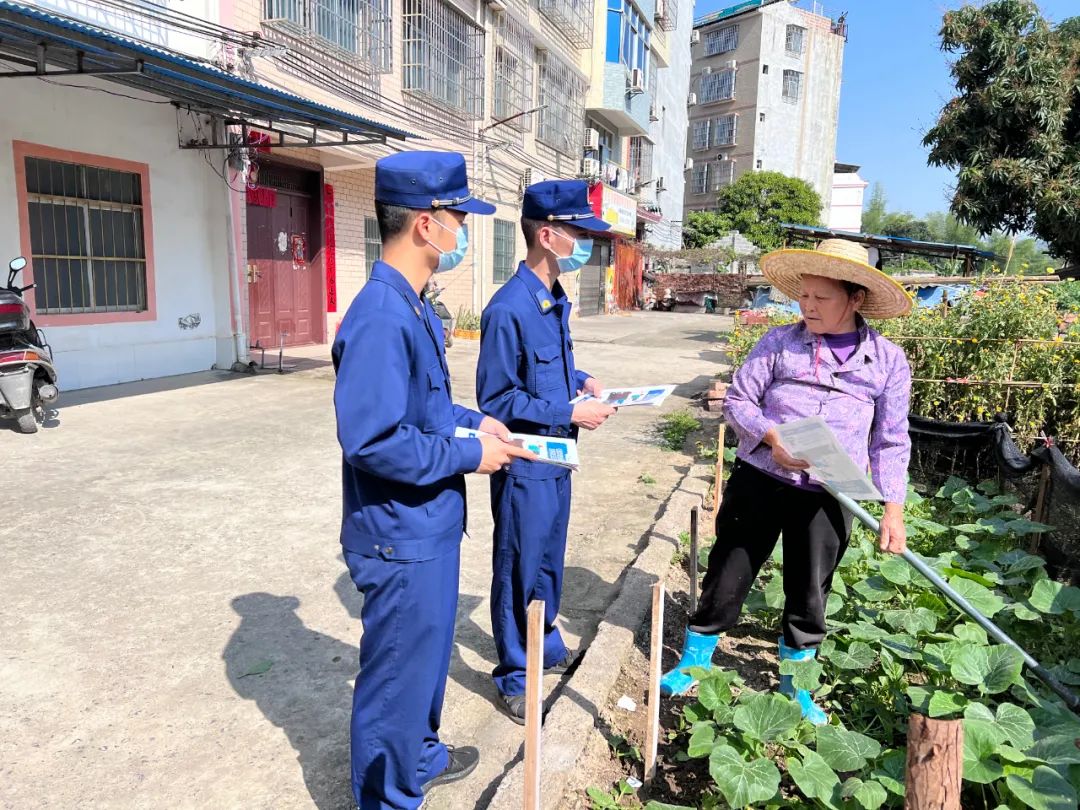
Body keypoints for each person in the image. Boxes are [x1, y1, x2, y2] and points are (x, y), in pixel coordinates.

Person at [332, 151, 535, 809]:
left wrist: (480, 426)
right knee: (395, 679)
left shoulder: (412, 305)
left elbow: (427, 408)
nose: (461, 234)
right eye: (458, 219)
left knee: (421, 667)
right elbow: (373, 440)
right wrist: (468, 457)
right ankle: (387, 798)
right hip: (399, 534)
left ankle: (418, 755)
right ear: (426, 224)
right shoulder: (381, 315)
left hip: (426, 527)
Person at [659, 239, 914, 724]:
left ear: (855, 298)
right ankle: (695, 658)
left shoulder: (886, 361)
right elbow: (739, 401)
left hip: (832, 490)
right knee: (731, 564)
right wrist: (771, 437)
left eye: (823, 297)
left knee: (810, 586)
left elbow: (892, 439)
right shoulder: (779, 341)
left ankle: (799, 683)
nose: (809, 306)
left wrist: (892, 508)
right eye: (804, 295)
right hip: (763, 475)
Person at [476, 179, 617, 723]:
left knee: (549, 559)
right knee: (518, 562)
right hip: (526, 460)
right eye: (577, 233)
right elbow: (498, 395)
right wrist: (569, 412)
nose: (583, 243)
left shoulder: (553, 300)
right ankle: (515, 671)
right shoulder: (508, 308)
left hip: (558, 457)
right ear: (546, 233)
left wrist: (582, 381)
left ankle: (546, 645)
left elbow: (547, 374)